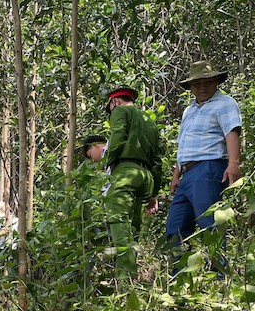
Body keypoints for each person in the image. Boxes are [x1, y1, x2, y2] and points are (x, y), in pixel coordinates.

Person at [166, 60, 242, 258]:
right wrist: (176, 175)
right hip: (187, 173)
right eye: (197, 83)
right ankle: (179, 277)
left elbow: (231, 133)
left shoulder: (225, 103)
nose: (202, 87)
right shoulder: (189, 111)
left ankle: (218, 278)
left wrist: (233, 164)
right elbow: (183, 143)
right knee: (176, 226)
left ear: (216, 81)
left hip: (208, 169)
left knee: (209, 225)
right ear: (190, 87)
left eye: (207, 82)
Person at [103, 85, 164, 276]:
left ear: (115, 101)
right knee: (134, 226)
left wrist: (103, 167)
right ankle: (133, 270)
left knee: (118, 221)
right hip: (145, 178)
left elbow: (118, 136)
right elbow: (157, 160)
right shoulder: (150, 121)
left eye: (110, 107)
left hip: (125, 173)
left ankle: (125, 278)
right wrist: (154, 194)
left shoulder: (120, 111)